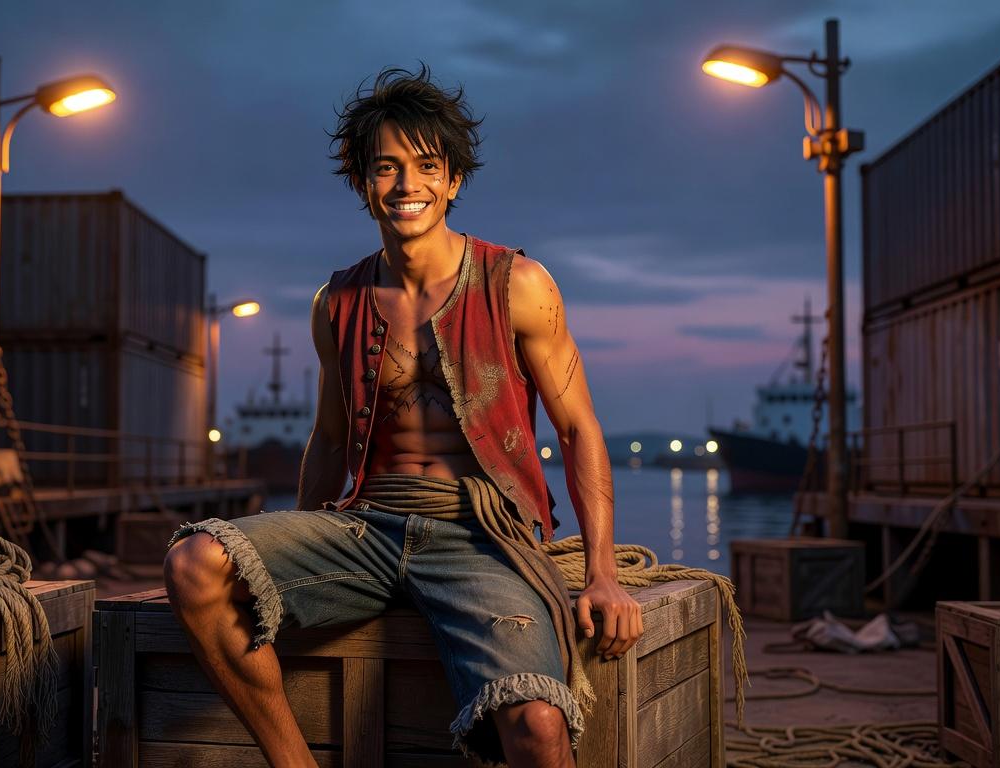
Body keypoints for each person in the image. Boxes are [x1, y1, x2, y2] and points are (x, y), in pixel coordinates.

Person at [163, 64, 641, 768]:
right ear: (363, 183)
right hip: (367, 525)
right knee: (195, 563)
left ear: (452, 181)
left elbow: (577, 429)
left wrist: (603, 572)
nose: (405, 184)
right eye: (385, 167)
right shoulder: (337, 301)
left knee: (539, 725)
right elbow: (330, 438)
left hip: (480, 530)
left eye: (426, 166)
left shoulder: (518, 284)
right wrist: (296, 544)